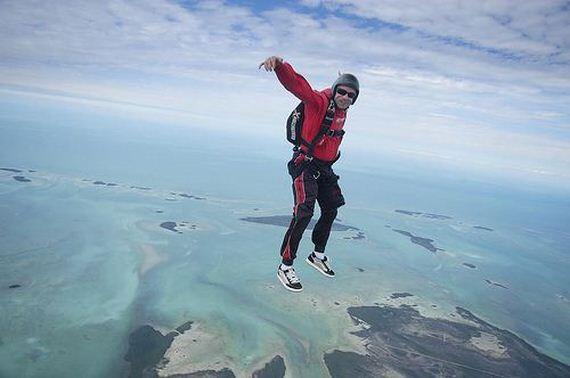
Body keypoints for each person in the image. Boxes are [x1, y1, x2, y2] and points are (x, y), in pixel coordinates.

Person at [259, 56, 360, 292]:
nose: (345, 96)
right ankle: (285, 266)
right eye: (342, 91)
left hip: (324, 168)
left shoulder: (341, 111)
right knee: (304, 212)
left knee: (332, 208)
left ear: (355, 99)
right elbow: (298, 86)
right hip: (305, 165)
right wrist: (281, 66)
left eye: (350, 95)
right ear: (335, 90)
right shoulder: (318, 102)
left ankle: (317, 255)